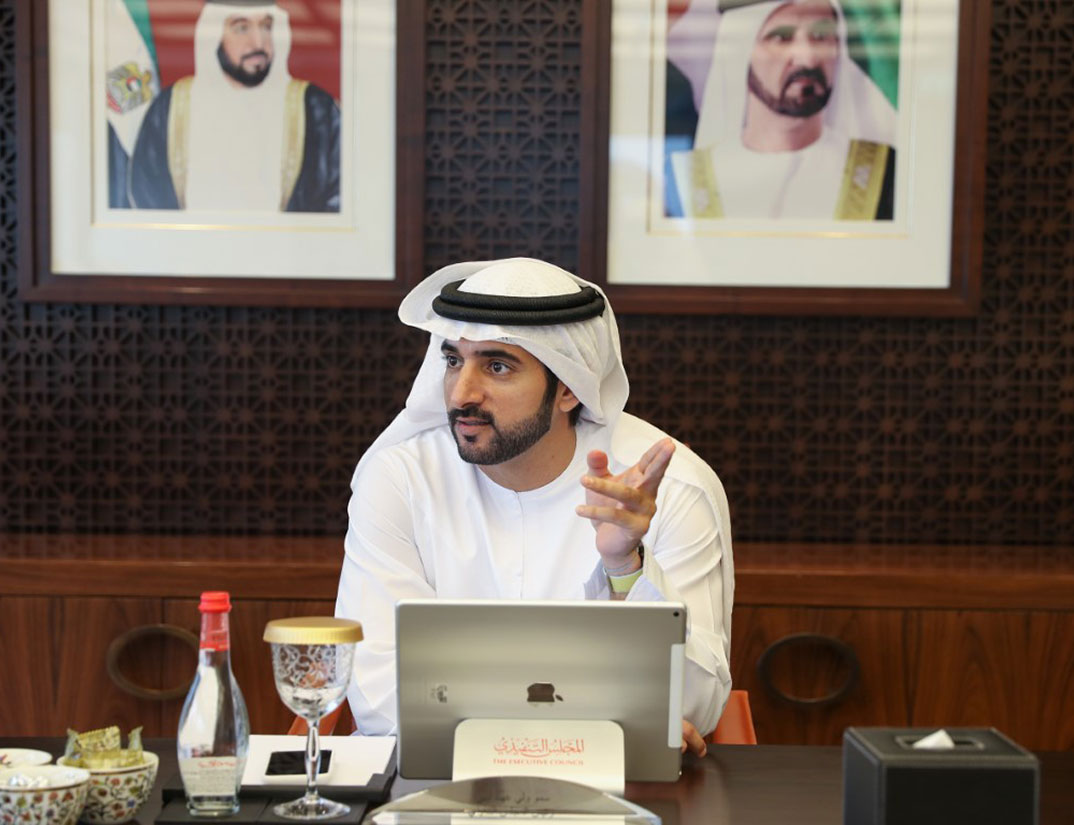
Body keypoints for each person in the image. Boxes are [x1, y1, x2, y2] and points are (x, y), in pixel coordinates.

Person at [334, 258, 734, 756]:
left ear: (569, 388)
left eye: (497, 366)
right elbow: (378, 693)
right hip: (436, 781)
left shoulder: (667, 486)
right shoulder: (400, 479)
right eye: (454, 360)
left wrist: (624, 567)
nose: (462, 393)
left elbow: (693, 707)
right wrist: (578, 728)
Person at [670, 0, 897, 220]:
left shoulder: (886, 174)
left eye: (821, 36)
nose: (807, 58)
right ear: (742, 54)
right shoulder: (681, 180)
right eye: (782, 38)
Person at [128, 0, 341, 212]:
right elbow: (149, 202)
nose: (258, 43)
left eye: (266, 26)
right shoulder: (172, 109)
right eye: (241, 28)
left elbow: (339, 202)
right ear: (214, 36)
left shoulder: (316, 110)